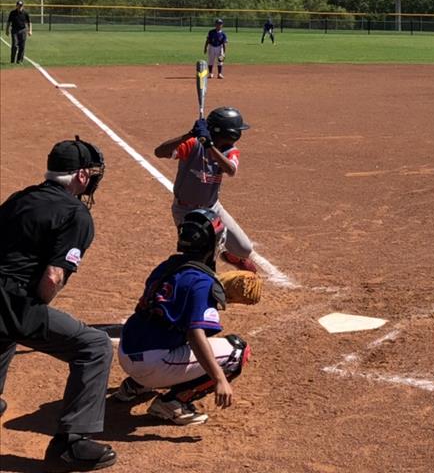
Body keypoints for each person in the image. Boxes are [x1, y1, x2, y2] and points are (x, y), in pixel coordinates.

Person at [0, 138, 117, 471]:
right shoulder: (76, 214)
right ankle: (72, 445)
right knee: (93, 346)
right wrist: (34, 306)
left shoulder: (20, 198)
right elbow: (52, 278)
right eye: (92, 174)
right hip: (12, 302)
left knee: (6, 334)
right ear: (81, 175)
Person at [112, 208, 251, 426]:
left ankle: (136, 385)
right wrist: (219, 379)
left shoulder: (167, 266)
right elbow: (196, 336)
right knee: (237, 351)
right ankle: (172, 403)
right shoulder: (202, 283)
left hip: (126, 350)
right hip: (151, 364)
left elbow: (169, 303)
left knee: (167, 323)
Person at [153, 107, 259, 273]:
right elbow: (159, 152)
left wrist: (209, 146)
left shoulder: (230, 151)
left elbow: (230, 170)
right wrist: (189, 135)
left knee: (244, 249)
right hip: (186, 211)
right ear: (229, 132)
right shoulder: (193, 145)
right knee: (201, 258)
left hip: (212, 207)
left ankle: (230, 255)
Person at [5, 0, 32, 64]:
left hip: (23, 30)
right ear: (16, 6)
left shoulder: (25, 13)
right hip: (14, 31)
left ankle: (19, 60)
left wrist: (30, 30)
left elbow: (29, 22)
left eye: (21, 6)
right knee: (14, 45)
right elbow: (9, 22)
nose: (20, 7)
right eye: (19, 5)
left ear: (23, 6)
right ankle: (12, 60)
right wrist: (7, 30)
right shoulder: (12, 13)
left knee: (22, 46)